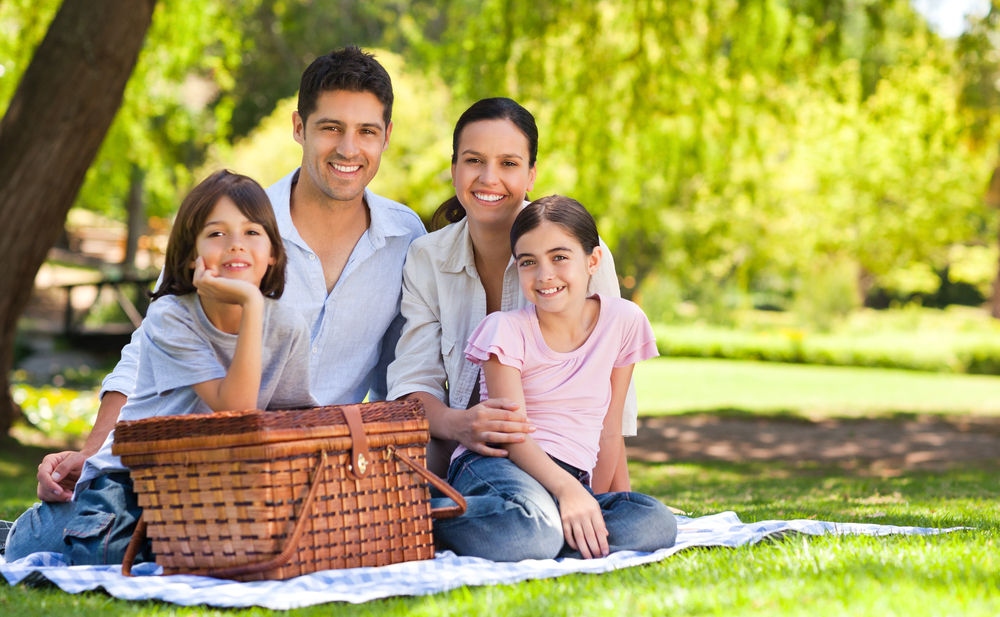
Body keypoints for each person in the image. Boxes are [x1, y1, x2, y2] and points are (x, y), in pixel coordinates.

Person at [9, 46, 425, 560]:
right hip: (185, 458)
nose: (348, 148)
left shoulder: (405, 235)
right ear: (299, 127)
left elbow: (397, 371)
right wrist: (94, 449)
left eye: (367, 131)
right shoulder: (236, 226)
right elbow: (149, 346)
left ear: (386, 136)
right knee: (111, 544)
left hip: (303, 470)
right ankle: (33, 530)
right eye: (330, 127)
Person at [8, 171, 317, 565]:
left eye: (252, 232)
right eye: (217, 234)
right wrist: (252, 304)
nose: (236, 244)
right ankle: (28, 529)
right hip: (137, 476)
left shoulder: (288, 325)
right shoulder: (172, 316)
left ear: (273, 252)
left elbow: (292, 417)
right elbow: (234, 411)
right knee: (109, 554)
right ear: (192, 255)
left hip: (221, 482)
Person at [387, 98, 636, 489]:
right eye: (473, 161)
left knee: (636, 520)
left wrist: (607, 502)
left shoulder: (578, 256)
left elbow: (607, 412)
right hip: (464, 459)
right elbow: (414, 385)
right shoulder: (427, 257)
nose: (489, 178)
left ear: (531, 175)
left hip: (559, 464)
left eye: (508, 163)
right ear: (454, 169)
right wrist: (461, 425)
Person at [433, 196, 676, 561]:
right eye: (529, 262)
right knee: (534, 532)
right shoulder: (505, 330)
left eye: (559, 257)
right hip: (500, 464)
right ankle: (415, 516)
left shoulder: (624, 321)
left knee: (657, 523)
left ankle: (543, 530)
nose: (544, 274)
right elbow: (511, 434)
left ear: (593, 261)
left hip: (570, 477)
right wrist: (567, 491)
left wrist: (596, 500)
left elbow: (610, 427)